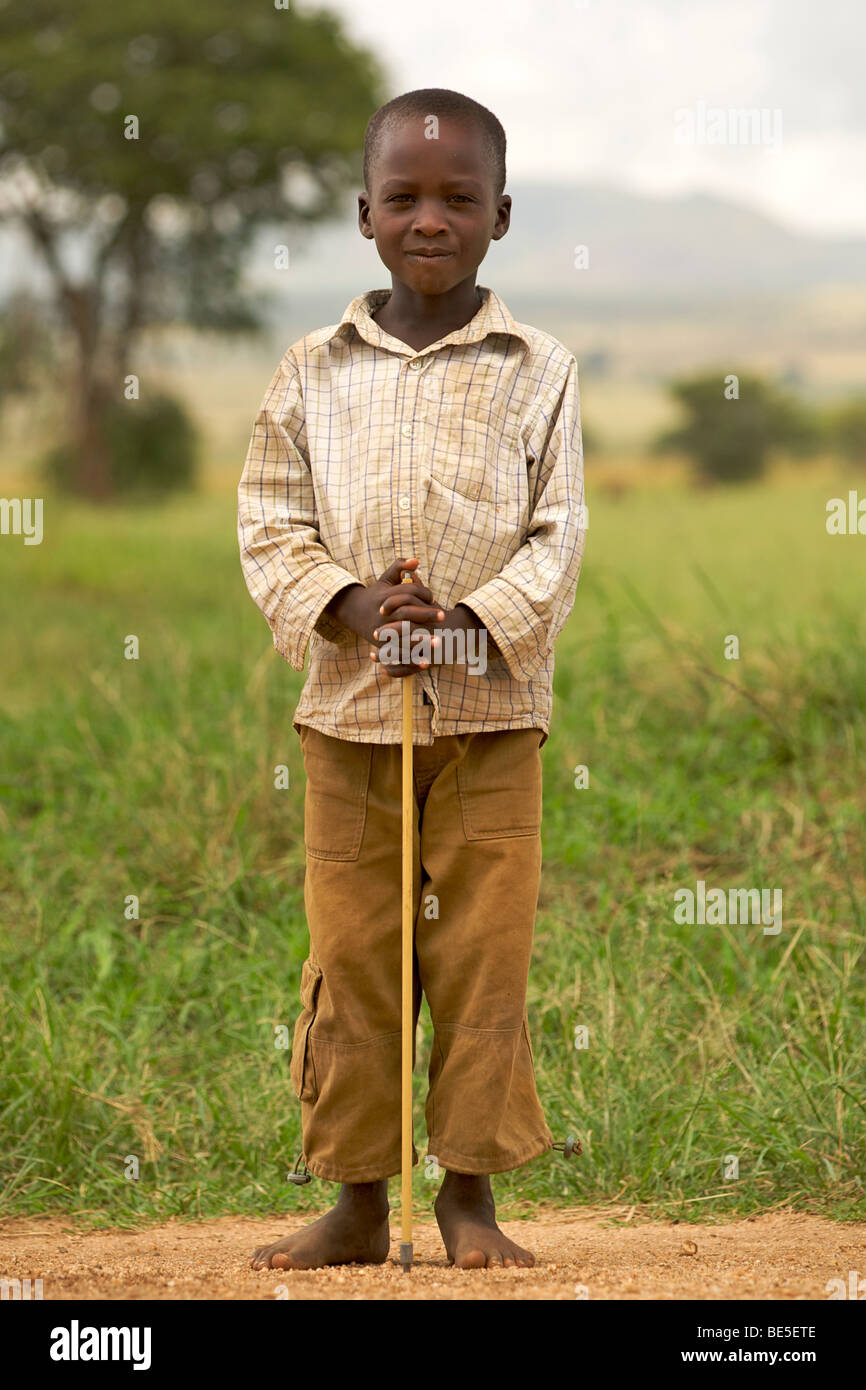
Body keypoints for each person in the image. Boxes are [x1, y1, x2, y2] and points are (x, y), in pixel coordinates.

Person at [238, 87, 586, 1271]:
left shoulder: (539, 369)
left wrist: (468, 623)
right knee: (354, 953)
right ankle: (352, 1198)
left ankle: (471, 1199)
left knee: (479, 955)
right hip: (348, 722)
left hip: (490, 720)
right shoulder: (310, 370)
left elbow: (557, 534)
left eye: (455, 198)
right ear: (362, 214)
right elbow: (270, 522)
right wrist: (347, 603)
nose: (427, 218)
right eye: (403, 197)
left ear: (500, 214)